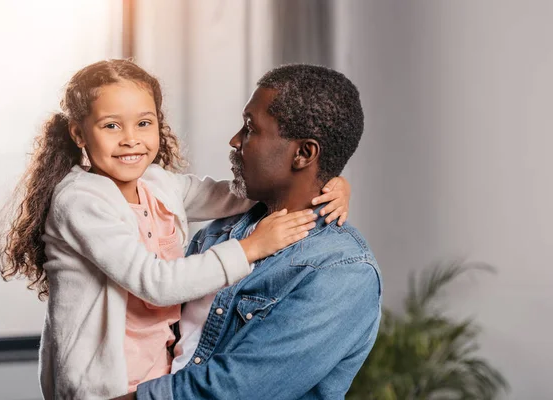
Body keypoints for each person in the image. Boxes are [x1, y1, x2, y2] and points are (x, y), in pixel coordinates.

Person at [0, 60, 352, 399]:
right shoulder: (82, 201)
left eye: (143, 123)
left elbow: (232, 195)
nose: (130, 138)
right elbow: (155, 283)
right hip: (104, 388)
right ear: (79, 134)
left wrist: (326, 182)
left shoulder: (158, 184)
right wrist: (250, 248)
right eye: (111, 125)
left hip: (156, 376)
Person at [125, 64, 383, 400]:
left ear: (303, 153)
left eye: (250, 128)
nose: (235, 140)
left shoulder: (342, 272)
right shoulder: (224, 229)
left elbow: (235, 389)